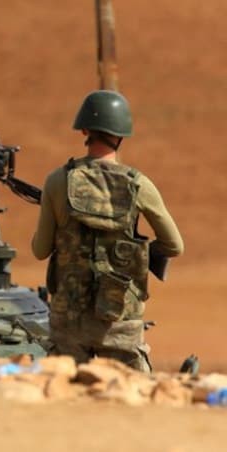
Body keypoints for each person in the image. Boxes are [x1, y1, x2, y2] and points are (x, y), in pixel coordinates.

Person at [31, 90, 183, 372]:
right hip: (118, 320)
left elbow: (40, 251)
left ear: (85, 130)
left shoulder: (56, 181)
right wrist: (134, 253)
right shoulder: (138, 184)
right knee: (134, 405)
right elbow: (174, 245)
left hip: (68, 323)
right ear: (122, 134)